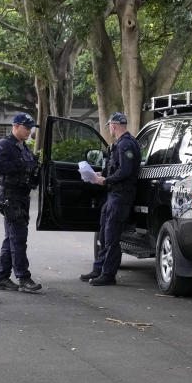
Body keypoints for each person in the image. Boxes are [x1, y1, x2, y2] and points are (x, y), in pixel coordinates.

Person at [79, 112, 140, 286]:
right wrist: (101, 174)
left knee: (112, 237)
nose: (110, 130)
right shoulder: (122, 143)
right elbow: (118, 169)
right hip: (113, 195)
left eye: (110, 127)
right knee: (104, 235)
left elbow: (125, 172)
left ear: (113, 126)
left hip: (121, 196)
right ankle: (98, 269)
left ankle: (108, 274)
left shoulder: (126, 144)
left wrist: (105, 180)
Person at [0, 113, 42, 293]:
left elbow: (30, 170)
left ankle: (1, 277)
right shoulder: (5, 145)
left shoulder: (24, 148)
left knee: (11, 238)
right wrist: (22, 167)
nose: (29, 131)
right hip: (10, 196)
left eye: (30, 128)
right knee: (18, 238)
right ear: (16, 126)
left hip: (22, 196)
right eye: (26, 127)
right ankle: (23, 278)